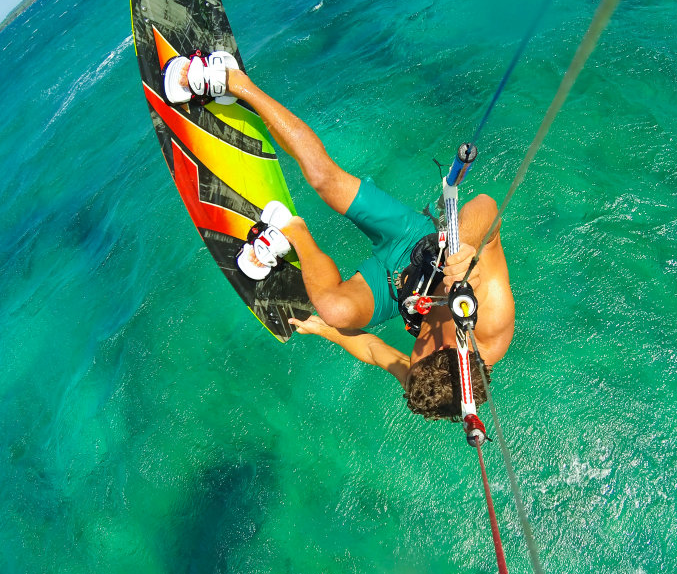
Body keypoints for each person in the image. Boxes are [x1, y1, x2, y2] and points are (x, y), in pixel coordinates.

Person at [165, 52, 515, 419]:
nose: (411, 358)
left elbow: (376, 351)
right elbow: (487, 208)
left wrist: (325, 329)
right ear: (444, 352)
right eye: (417, 354)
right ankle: (237, 82)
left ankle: (292, 230)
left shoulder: (431, 382)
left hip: (397, 290)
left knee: (334, 311)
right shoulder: (490, 323)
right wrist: (465, 249)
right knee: (323, 179)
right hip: (416, 241)